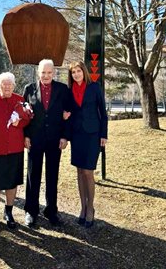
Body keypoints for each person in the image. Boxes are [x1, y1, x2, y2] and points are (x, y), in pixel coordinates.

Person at [0, 72, 33, 231]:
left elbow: (29, 117)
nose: (7, 87)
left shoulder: (21, 100)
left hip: (15, 148)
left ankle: (9, 212)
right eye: (3, 84)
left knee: (12, 182)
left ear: (13, 85)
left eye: (9, 84)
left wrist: (20, 122)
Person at [23, 59, 70, 227]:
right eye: (43, 72)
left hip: (55, 139)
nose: (46, 75)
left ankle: (51, 211)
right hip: (35, 139)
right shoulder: (29, 89)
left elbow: (68, 115)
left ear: (54, 73)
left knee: (52, 176)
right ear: (38, 73)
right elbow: (24, 115)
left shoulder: (63, 90)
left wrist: (64, 137)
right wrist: (26, 135)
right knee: (32, 175)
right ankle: (31, 211)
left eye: (49, 72)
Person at [66, 60, 108, 228]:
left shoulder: (94, 87)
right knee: (79, 172)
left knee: (88, 172)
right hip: (77, 135)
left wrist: (104, 134)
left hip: (93, 134)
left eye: (78, 71)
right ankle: (82, 207)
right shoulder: (69, 91)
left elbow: (103, 113)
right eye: (73, 72)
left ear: (84, 71)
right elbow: (68, 112)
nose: (76, 74)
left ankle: (90, 208)